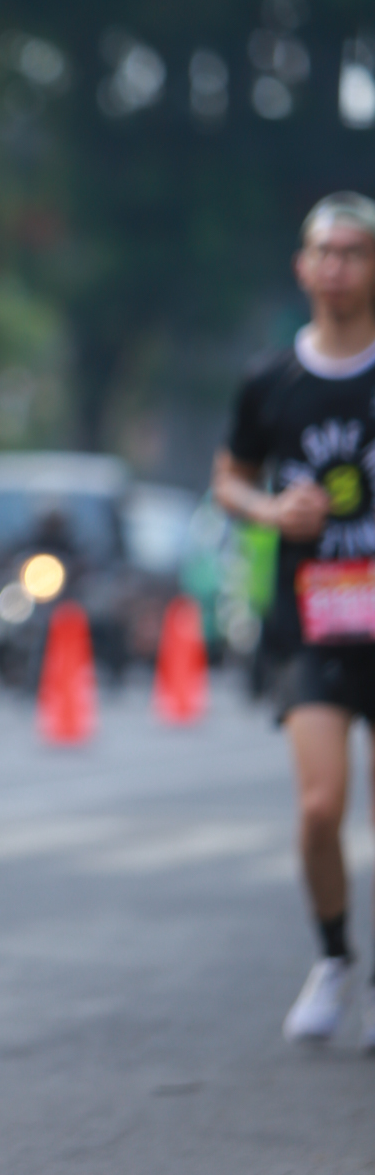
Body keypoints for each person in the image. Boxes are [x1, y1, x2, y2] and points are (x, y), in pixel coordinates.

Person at [213, 191, 375, 1051]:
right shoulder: (271, 380)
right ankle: (336, 957)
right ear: (303, 267)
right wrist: (273, 511)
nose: (339, 267)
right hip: (312, 619)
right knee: (319, 807)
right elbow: (230, 478)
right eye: (326, 252)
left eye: (356, 252)